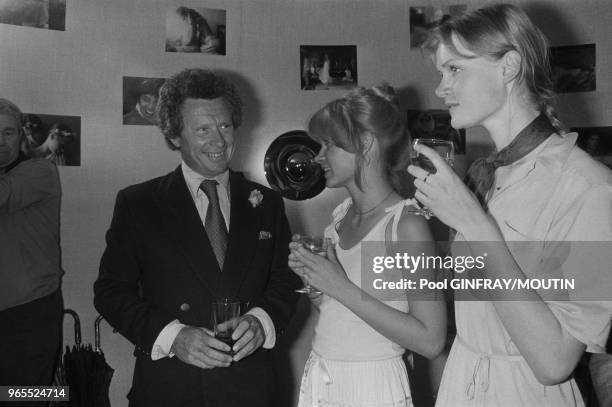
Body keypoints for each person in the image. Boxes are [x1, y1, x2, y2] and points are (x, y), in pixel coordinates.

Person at [407, 4, 612, 406]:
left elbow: (554, 362)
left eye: (454, 69)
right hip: (461, 379)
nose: (440, 88)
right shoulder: (487, 176)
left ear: (509, 67)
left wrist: (477, 226)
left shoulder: (588, 189)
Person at [94, 69, 301, 407]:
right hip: (171, 388)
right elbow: (110, 292)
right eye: (203, 129)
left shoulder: (267, 202)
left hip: (251, 390)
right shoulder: (139, 203)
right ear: (174, 136)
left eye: (225, 126)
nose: (219, 142)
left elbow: (286, 280)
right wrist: (173, 337)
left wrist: (262, 322)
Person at [289, 85, 447, 407]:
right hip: (322, 374)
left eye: (329, 144)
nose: (319, 157)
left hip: (373, 385)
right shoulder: (339, 216)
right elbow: (349, 315)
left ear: (365, 144)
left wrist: (340, 287)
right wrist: (320, 287)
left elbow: (431, 340)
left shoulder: (406, 224)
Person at [0, 99, 63, 391]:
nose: (0, 141)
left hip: (29, 317)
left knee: (23, 400)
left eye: (8, 132)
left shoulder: (40, 171)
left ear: (21, 135)